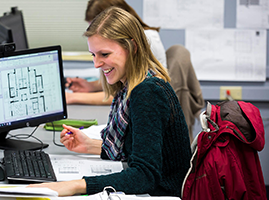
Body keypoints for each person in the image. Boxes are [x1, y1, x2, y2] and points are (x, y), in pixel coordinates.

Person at [28, 7, 191, 197]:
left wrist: (76, 185)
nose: (96, 63)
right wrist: (89, 146)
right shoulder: (131, 84)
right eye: (93, 54)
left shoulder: (148, 92)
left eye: (104, 54)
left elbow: (144, 175)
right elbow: (138, 150)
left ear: (133, 47)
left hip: (163, 193)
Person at [66, 0, 167, 105]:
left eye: (104, 54)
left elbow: (127, 93)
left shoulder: (146, 40)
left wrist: (73, 97)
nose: (96, 64)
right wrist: (92, 86)